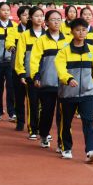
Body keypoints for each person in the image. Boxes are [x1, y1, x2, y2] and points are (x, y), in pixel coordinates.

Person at [54, 18, 93, 162]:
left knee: (89, 121)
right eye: (78, 30)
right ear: (72, 32)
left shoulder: (92, 50)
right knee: (66, 122)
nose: (81, 33)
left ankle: (91, 149)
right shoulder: (64, 52)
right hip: (68, 94)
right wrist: (68, 79)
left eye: (84, 30)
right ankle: (66, 148)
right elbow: (60, 68)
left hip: (87, 93)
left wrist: (90, 86)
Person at [29, 9, 66, 149]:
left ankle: (62, 143)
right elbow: (34, 60)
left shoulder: (67, 40)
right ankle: (44, 133)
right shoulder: (41, 41)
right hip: (47, 82)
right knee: (47, 113)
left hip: (64, 84)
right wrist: (36, 76)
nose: (56, 22)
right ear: (46, 22)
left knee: (62, 115)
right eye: (53, 19)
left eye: (58, 19)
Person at [15, 6, 46, 140]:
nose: (39, 18)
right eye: (36, 16)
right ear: (31, 18)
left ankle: (44, 129)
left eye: (42, 16)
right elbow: (19, 56)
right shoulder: (25, 35)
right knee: (33, 102)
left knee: (46, 104)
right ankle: (33, 129)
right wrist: (21, 73)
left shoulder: (48, 35)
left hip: (47, 75)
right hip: (31, 75)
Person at [8, 5, 31, 132]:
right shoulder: (14, 30)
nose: (27, 17)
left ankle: (32, 124)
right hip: (17, 68)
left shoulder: (39, 32)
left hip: (32, 69)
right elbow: (9, 42)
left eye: (29, 15)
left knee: (33, 98)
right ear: (19, 16)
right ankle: (20, 121)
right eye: (24, 15)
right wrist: (11, 47)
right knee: (19, 96)